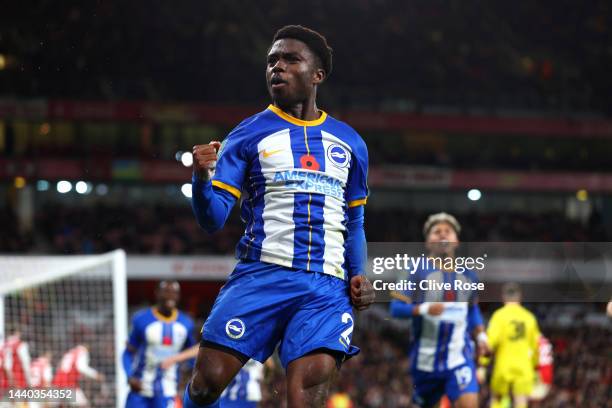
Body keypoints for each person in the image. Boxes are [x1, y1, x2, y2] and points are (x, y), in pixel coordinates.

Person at [187, 24, 374, 408]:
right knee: (206, 384)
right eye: (272, 60)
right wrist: (201, 179)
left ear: (317, 74)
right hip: (261, 274)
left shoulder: (351, 143)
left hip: (326, 288)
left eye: (290, 59)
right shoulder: (247, 135)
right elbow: (212, 219)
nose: (278, 67)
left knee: (306, 397)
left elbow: (354, 222)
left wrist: (360, 273)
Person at [389, 212, 489, 408]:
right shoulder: (413, 270)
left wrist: (482, 337)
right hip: (425, 362)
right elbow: (396, 309)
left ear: (456, 241)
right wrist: (424, 309)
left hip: (460, 358)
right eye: (436, 232)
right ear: (427, 242)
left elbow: (472, 310)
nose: (443, 235)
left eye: (448, 231)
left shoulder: (469, 276)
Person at [123, 280, 196, 408]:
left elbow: (193, 354)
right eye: (166, 292)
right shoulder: (141, 319)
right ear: (157, 294)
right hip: (140, 390)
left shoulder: (186, 323)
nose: (170, 296)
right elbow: (128, 352)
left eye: (175, 293)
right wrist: (130, 376)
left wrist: (189, 376)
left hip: (168, 391)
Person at [486, 283, 540, 408]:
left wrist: (483, 363)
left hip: (503, 367)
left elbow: (490, 343)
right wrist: (535, 367)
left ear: (503, 297)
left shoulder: (499, 316)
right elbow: (536, 347)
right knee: (521, 403)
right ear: (519, 297)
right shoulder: (529, 318)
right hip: (523, 367)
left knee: (497, 401)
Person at [162, 345, 266, 408]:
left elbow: (207, 347)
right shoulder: (260, 338)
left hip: (237, 395)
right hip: (240, 396)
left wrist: (175, 358)